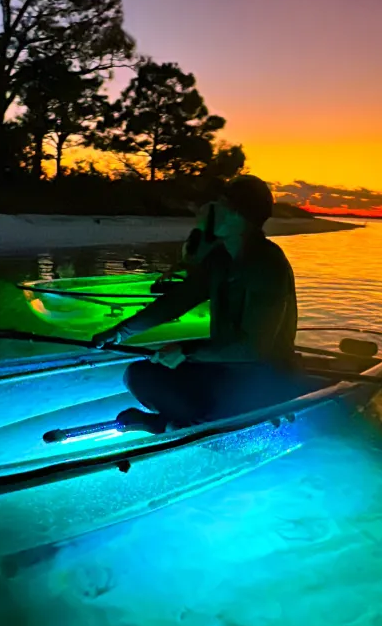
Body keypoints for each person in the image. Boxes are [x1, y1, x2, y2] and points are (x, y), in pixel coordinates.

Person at [92, 175, 299, 433]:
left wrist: (187, 351)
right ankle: (178, 422)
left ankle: (175, 425)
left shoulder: (268, 266)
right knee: (140, 374)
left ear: (239, 216)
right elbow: (176, 302)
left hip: (263, 375)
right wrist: (121, 331)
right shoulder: (220, 259)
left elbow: (253, 349)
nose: (211, 210)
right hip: (222, 368)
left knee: (221, 394)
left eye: (221, 204)